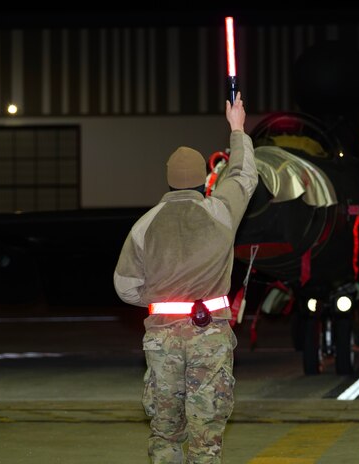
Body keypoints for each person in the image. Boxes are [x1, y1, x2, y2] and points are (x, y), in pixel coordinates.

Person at [113, 92, 257, 463]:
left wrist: (159, 294)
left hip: (162, 339)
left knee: (165, 431)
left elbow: (125, 287)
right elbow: (243, 174)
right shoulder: (220, 212)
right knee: (206, 435)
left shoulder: (144, 225)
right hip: (210, 336)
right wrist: (237, 128)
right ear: (204, 180)